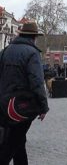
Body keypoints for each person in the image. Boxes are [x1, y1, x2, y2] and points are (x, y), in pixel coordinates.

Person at [0, 22, 49, 165]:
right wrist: (43, 107)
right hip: (21, 106)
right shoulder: (32, 53)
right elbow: (37, 82)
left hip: (4, 105)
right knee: (11, 145)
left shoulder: (6, 51)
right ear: (34, 37)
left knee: (19, 142)